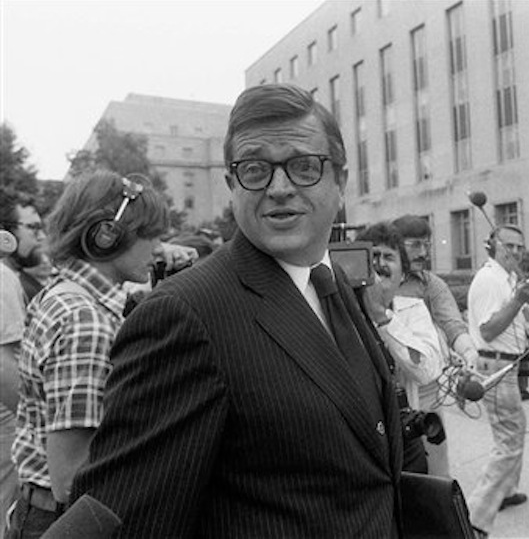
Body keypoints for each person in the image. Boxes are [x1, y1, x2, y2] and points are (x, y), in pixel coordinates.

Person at [70, 84, 404, 537]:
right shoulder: (184, 316)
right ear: (231, 185)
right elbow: (124, 520)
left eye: (304, 166)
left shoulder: (335, 283)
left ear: (340, 180)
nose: (279, 188)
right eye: (255, 169)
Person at [6, 170, 170, 539]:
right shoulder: (87, 321)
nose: (159, 248)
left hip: (39, 508)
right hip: (68, 519)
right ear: (106, 235)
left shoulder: (62, 294)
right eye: (150, 234)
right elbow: (72, 478)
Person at [466, 224, 529, 538]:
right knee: (509, 440)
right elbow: (489, 329)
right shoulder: (490, 279)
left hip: (507, 366)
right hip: (495, 366)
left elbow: (514, 310)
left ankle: (507, 490)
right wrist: (518, 301)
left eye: (520, 247)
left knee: (511, 429)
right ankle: (475, 518)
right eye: (510, 246)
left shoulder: (507, 278)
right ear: (492, 245)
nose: (516, 252)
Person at [392, 214, 481, 474]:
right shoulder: (376, 281)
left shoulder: (431, 284)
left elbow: (453, 323)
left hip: (426, 390)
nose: (423, 252)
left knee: (437, 472)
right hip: (386, 391)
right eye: (415, 245)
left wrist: (468, 352)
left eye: (426, 245)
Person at [357, 221, 448, 475]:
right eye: (372, 257)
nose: (379, 265)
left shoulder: (413, 309)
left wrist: (381, 317)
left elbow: (427, 370)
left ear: (402, 274)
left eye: (388, 257)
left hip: (407, 440)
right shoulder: (342, 312)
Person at [0, 189, 45, 537]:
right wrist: (37, 429)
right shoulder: (3, 278)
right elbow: (4, 364)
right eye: (32, 227)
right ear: (6, 235)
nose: (40, 236)